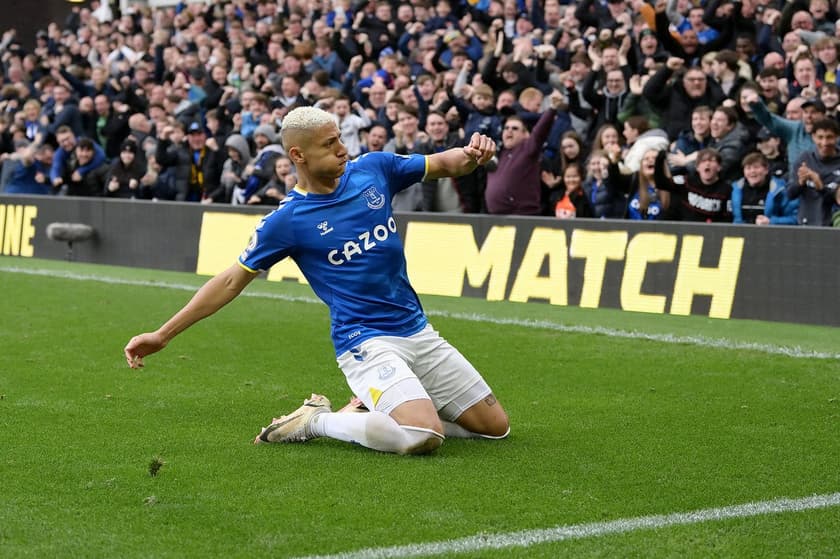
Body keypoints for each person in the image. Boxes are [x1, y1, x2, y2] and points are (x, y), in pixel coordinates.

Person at [124, 106, 509, 456]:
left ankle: (380, 407)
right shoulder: (287, 220)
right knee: (421, 435)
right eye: (330, 144)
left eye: (340, 138)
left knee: (495, 429)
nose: (343, 149)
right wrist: (163, 334)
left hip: (417, 331)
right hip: (365, 342)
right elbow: (229, 281)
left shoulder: (373, 169)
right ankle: (315, 420)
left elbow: (444, 163)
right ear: (298, 155)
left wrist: (473, 155)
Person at [786, 117, 840, 226]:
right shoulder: (804, 159)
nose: (824, 142)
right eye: (820, 137)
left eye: (829, 137)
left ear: (837, 137)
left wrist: (820, 185)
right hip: (806, 225)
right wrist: (800, 183)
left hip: (833, 226)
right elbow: (790, 194)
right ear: (813, 137)